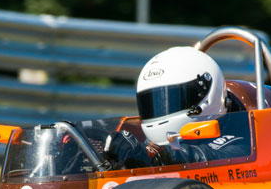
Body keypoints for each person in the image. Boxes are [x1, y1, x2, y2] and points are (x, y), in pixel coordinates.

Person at [104, 46, 248, 169]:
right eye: (153, 103)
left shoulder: (243, 138)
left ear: (203, 92)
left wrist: (153, 157)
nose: (162, 109)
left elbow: (209, 157)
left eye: (172, 99)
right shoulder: (155, 145)